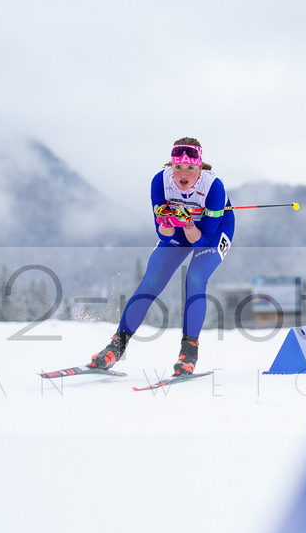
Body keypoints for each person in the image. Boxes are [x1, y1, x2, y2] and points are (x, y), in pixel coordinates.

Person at [88, 137, 235, 375]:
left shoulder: (213, 187)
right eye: (178, 167)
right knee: (151, 280)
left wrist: (187, 222)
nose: (183, 174)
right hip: (179, 227)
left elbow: (203, 241)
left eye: (190, 168)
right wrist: (169, 220)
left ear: (200, 167)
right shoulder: (160, 181)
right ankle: (116, 346)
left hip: (213, 231)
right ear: (171, 166)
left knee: (195, 279)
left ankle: (188, 353)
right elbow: (164, 235)